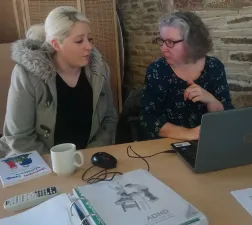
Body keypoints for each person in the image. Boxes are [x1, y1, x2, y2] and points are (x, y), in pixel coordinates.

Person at [0, 6, 117, 157]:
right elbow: (19, 138)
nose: (89, 46)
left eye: (90, 39)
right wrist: (61, 162)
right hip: (41, 163)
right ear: (56, 44)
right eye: (79, 41)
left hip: (88, 160)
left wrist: (90, 154)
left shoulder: (100, 71)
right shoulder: (26, 76)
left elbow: (109, 119)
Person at [139, 11, 234, 141]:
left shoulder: (214, 67)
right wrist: (188, 133)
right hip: (166, 145)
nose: (163, 48)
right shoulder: (157, 70)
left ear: (192, 43)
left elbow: (228, 115)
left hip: (209, 143)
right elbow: (148, 118)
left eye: (171, 42)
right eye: (162, 41)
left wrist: (211, 100)